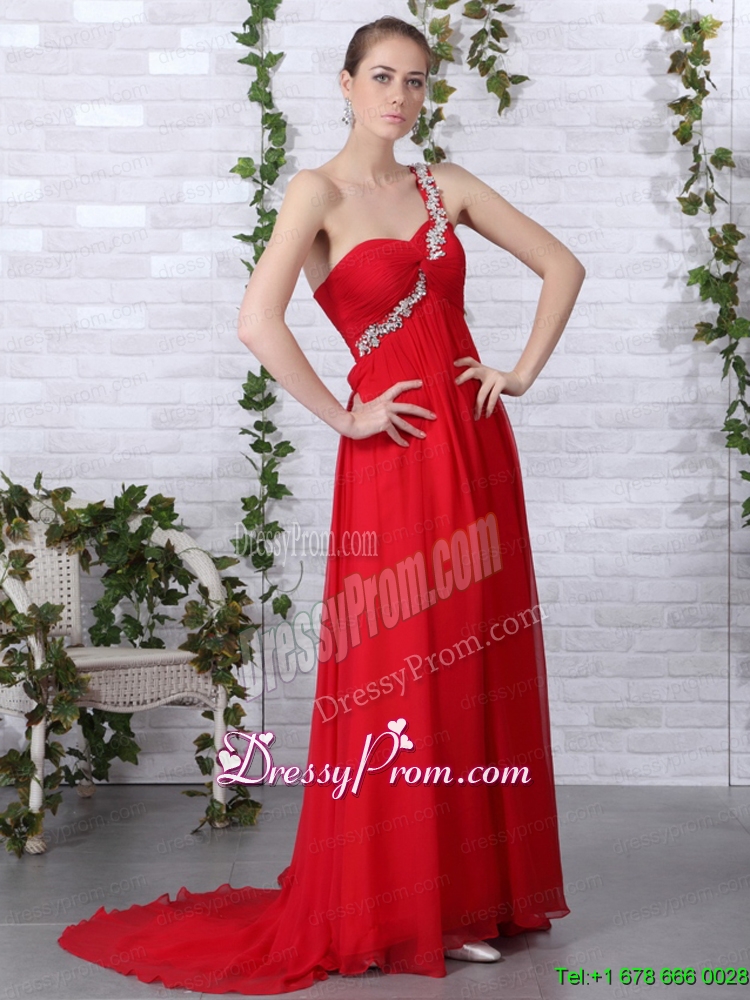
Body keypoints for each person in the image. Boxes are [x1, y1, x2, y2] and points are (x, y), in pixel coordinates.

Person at [58, 15, 585, 995]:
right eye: (382, 76)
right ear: (346, 84)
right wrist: (344, 413)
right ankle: (408, 901)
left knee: (473, 659)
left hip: (476, 452)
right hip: (391, 458)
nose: (400, 96)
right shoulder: (317, 192)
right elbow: (258, 320)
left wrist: (517, 372)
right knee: (404, 668)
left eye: (416, 81)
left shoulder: (448, 187)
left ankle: (474, 896)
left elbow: (565, 266)